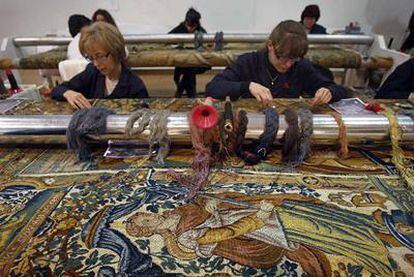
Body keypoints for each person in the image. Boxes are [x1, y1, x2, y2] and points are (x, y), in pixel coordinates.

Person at [205, 20, 347, 105]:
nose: (288, 65)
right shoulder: (249, 62)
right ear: (270, 45)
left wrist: (329, 91)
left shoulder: (300, 66)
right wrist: (246, 86)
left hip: (287, 130)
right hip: (250, 128)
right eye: (282, 57)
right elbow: (213, 88)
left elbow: (340, 90)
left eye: (294, 58)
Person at [52, 22, 148, 109]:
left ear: (116, 51)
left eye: (100, 56)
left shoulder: (134, 85)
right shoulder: (92, 72)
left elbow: (143, 118)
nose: (96, 63)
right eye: (91, 58)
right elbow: (58, 89)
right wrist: (69, 93)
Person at [169, 8, 209, 98]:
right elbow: (167, 39)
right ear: (185, 22)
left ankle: (185, 92)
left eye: (192, 27)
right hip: (182, 60)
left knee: (190, 70)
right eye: (188, 25)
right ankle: (186, 92)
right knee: (185, 73)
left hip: (196, 62)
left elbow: (208, 45)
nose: (189, 28)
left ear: (196, 24)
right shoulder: (180, 28)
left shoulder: (201, 31)